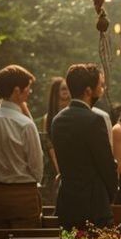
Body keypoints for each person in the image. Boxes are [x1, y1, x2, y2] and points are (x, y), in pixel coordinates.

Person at [51, 63, 118, 229]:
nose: (102, 89)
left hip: (67, 202)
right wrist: (111, 194)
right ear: (88, 91)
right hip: (93, 203)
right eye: (100, 85)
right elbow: (106, 164)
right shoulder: (94, 120)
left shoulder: (57, 120)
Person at [0, 65, 43, 229]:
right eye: (27, 88)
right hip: (24, 194)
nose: (29, 92)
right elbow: (37, 168)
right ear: (17, 91)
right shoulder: (25, 124)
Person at [38, 76, 71, 204]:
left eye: (68, 89)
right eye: (63, 89)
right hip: (55, 168)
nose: (67, 92)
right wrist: (60, 170)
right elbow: (50, 144)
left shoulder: (72, 113)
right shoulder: (49, 118)